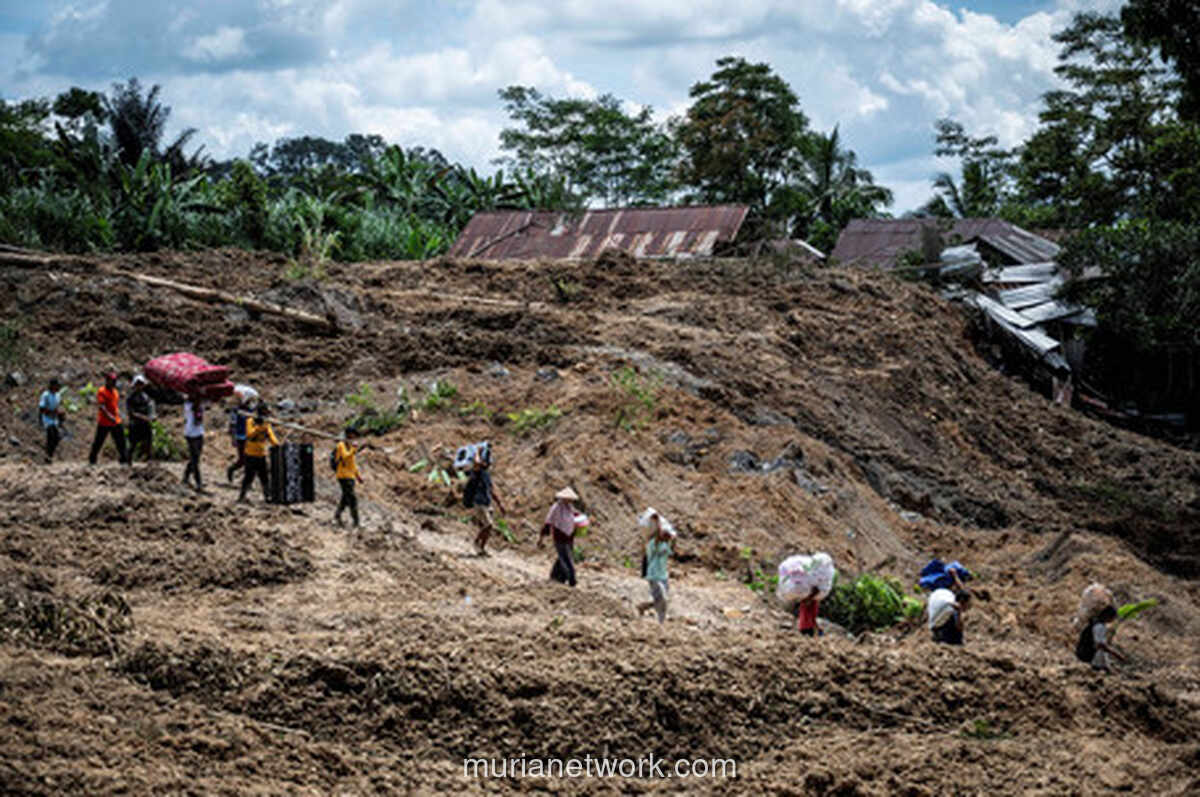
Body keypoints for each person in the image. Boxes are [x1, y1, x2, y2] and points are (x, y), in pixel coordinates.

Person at [463, 446, 506, 555]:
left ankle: (481, 548)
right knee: (489, 525)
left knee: (488, 527)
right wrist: (478, 451)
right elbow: (477, 462)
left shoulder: (486, 475)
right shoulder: (478, 472)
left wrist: (500, 504)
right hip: (479, 502)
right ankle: (477, 542)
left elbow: (491, 490)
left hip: (486, 502)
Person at [636, 510, 676, 623]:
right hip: (654, 575)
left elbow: (672, 543)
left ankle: (643, 607)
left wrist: (672, 538)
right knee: (662, 598)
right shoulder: (652, 544)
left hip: (663, 576)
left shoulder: (665, 546)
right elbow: (658, 535)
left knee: (662, 600)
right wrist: (658, 521)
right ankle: (661, 621)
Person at [539, 487, 582, 587]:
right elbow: (549, 520)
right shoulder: (556, 508)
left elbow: (574, 519)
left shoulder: (570, 508)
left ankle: (556, 576)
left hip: (569, 537)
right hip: (559, 536)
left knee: (563, 557)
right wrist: (543, 534)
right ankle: (571, 578)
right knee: (566, 558)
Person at [238, 404, 278, 503]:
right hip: (250, 454)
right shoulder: (250, 421)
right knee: (248, 477)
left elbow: (271, 436)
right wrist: (259, 428)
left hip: (261, 454)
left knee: (264, 477)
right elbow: (250, 434)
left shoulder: (266, 424)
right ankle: (242, 496)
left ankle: (267, 496)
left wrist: (277, 444)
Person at [88, 370, 128, 465]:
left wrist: (117, 416)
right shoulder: (102, 391)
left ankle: (123, 459)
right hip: (104, 421)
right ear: (107, 381)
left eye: (115, 381)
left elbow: (115, 406)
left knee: (120, 440)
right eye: (112, 381)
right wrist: (109, 416)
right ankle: (92, 459)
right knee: (99, 441)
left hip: (115, 420)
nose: (114, 383)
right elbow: (102, 406)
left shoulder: (115, 392)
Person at [333, 426, 369, 528]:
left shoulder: (349, 446)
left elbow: (352, 463)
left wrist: (358, 476)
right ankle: (356, 521)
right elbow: (345, 456)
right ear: (349, 434)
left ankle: (337, 515)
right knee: (352, 499)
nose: (354, 437)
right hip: (343, 476)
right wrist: (354, 449)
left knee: (345, 498)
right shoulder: (341, 445)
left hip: (351, 476)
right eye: (353, 435)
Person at [1084, 605, 1127, 673]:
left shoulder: (1097, 624)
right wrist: (1116, 654)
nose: (1112, 620)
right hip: (1094, 657)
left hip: (1096, 656)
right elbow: (1100, 645)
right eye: (1112, 618)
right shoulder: (1100, 627)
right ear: (1107, 616)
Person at [125, 375, 156, 463]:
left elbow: (151, 409)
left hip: (145, 423)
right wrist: (144, 417)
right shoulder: (131, 398)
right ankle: (128, 461)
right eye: (138, 384)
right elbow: (131, 413)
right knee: (132, 443)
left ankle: (149, 460)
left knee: (148, 442)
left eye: (141, 384)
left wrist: (152, 417)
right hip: (135, 423)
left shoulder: (146, 397)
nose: (139, 386)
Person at [38, 377, 66, 462]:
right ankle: (48, 455)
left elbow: (58, 406)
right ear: (52, 386)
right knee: (51, 436)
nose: (58, 387)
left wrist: (61, 414)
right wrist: (52, 412)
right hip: (47, 419)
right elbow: (42, 408)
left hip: (54, 419)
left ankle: (49, 454)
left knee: (56, 437)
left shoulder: (58, 395)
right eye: (57, 385)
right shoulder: (46, 395)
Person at [181, 395, 206, 492]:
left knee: (195, 458)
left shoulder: (199, 404)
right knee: (195, 460)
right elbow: (193, 408)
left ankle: (186, 477)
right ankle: (198, 483)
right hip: (190, 434)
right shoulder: (188, 405)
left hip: (199, 433)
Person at [226, 398, 249, 483]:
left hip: (248, 437)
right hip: (240, 437)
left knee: (248, 459)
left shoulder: (249, 411)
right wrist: (233, 438)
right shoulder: (236, 411)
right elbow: (232, 425)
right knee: (242, 460)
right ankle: (231, 470)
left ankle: (246, 480)